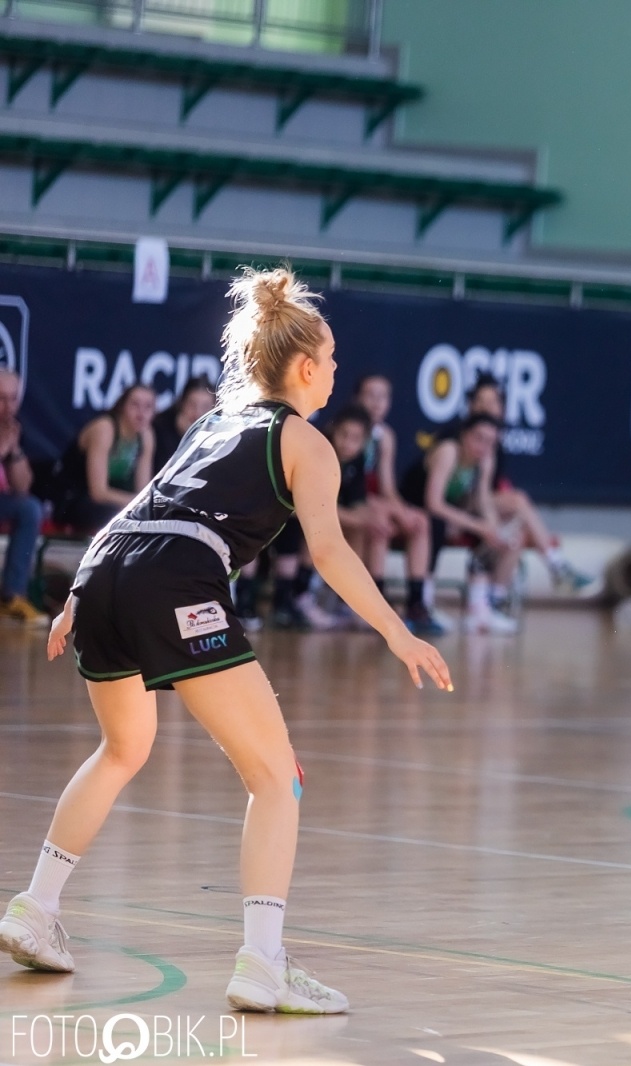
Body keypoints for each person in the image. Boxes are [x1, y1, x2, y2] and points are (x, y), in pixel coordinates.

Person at [0, 268, 453, 1014]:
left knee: (122, 749)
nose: (335, 369)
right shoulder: (306, 443)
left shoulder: (212, 422)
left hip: (105, 571)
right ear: (303, 367)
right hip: (175, 583)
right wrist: (398, 632)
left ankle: (34, 907)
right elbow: (332, 553)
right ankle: (262, 962)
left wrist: (79, 593)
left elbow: (141, 506)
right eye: (330, 358)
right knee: (279, 779)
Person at [449, 378, 594, 596]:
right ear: (470, 405)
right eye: (481, 400)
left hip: (479, 508)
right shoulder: (454, 441)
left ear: (502, 408)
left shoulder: (493, 443)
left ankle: (495, 600)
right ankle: (557, 566)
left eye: (492, 401)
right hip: (454, 512)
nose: (486, 406)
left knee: (516, 535)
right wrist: (488, 525)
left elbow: (485, 490)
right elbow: (458, 495)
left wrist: (494, 526)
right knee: (518, 501)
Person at [323, 405, 444, 635]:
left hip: (349, 510)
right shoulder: (321, 452)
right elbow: (311, 506)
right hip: (304, 518)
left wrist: (397, 513)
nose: (348, 443)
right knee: (367, 524)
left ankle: (410, 603)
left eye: (355, 439)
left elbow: (365, 499)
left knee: (403, 522)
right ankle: (351, 600)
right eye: (344, 435)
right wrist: (367, 519)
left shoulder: (359, 458)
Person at [400, 413, 521, 634]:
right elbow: (433, 503)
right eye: (478, 438)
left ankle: (479, 607)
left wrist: (492, 528)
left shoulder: (485, 459)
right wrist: (477, 525)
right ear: (464, 435)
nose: (483, 446)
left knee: (489, 532)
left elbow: (483, 499)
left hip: (446, 512)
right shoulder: (448, 451)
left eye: (490, 442)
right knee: (434, 524)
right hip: (412, 508)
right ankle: (423, 604)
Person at [351, 374, 449, 634]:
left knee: (420, 521)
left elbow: (388, 488)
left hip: (374, 502)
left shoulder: (385, 436)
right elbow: (347, 487)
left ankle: (417, 603)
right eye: (370, 395)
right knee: (380, 523)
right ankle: (375, 604)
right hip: (350, 502)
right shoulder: (347, 430)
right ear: (357, 399)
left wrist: (403, 511)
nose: (376, 402)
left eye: (383, 397)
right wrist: (386, 509)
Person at [54, 383, 157, 533]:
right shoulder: (105, 428)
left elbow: (142, 491)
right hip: (72, 498)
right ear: (122, 406)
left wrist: (145, 504)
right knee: (120, 516)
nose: (141, 413)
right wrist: (138, 502)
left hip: (113, 501)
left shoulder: (146, 435)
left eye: (148, 407)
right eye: (135, 405)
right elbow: (98, 493)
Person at [0, 368, 47, 626]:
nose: (7, 407)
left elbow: (23, 486)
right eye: (1, 398)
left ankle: (12, 596)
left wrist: (14, 450)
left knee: (30, 508)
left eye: (13, 398)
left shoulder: (13, 428)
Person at [151, 376, 217, 472]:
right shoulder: (158, 430)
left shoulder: (218, 436)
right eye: (192, 405)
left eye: (205, 407)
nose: (197, 413)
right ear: (181, 403)